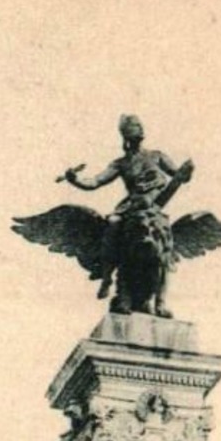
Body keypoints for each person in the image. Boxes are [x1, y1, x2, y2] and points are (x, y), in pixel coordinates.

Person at [64, 115, 193, 306]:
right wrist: (74, 179)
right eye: (133, 129)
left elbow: (179, 175)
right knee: (113, 224)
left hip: (155, 209)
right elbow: (95, 182)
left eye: (139, 127)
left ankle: (161, 299)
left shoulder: (157, 156)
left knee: (165, 244)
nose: (138, 131)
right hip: (131, 209)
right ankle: (107, 276)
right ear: (125, 136)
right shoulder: (120, 164)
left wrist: (187, 172)